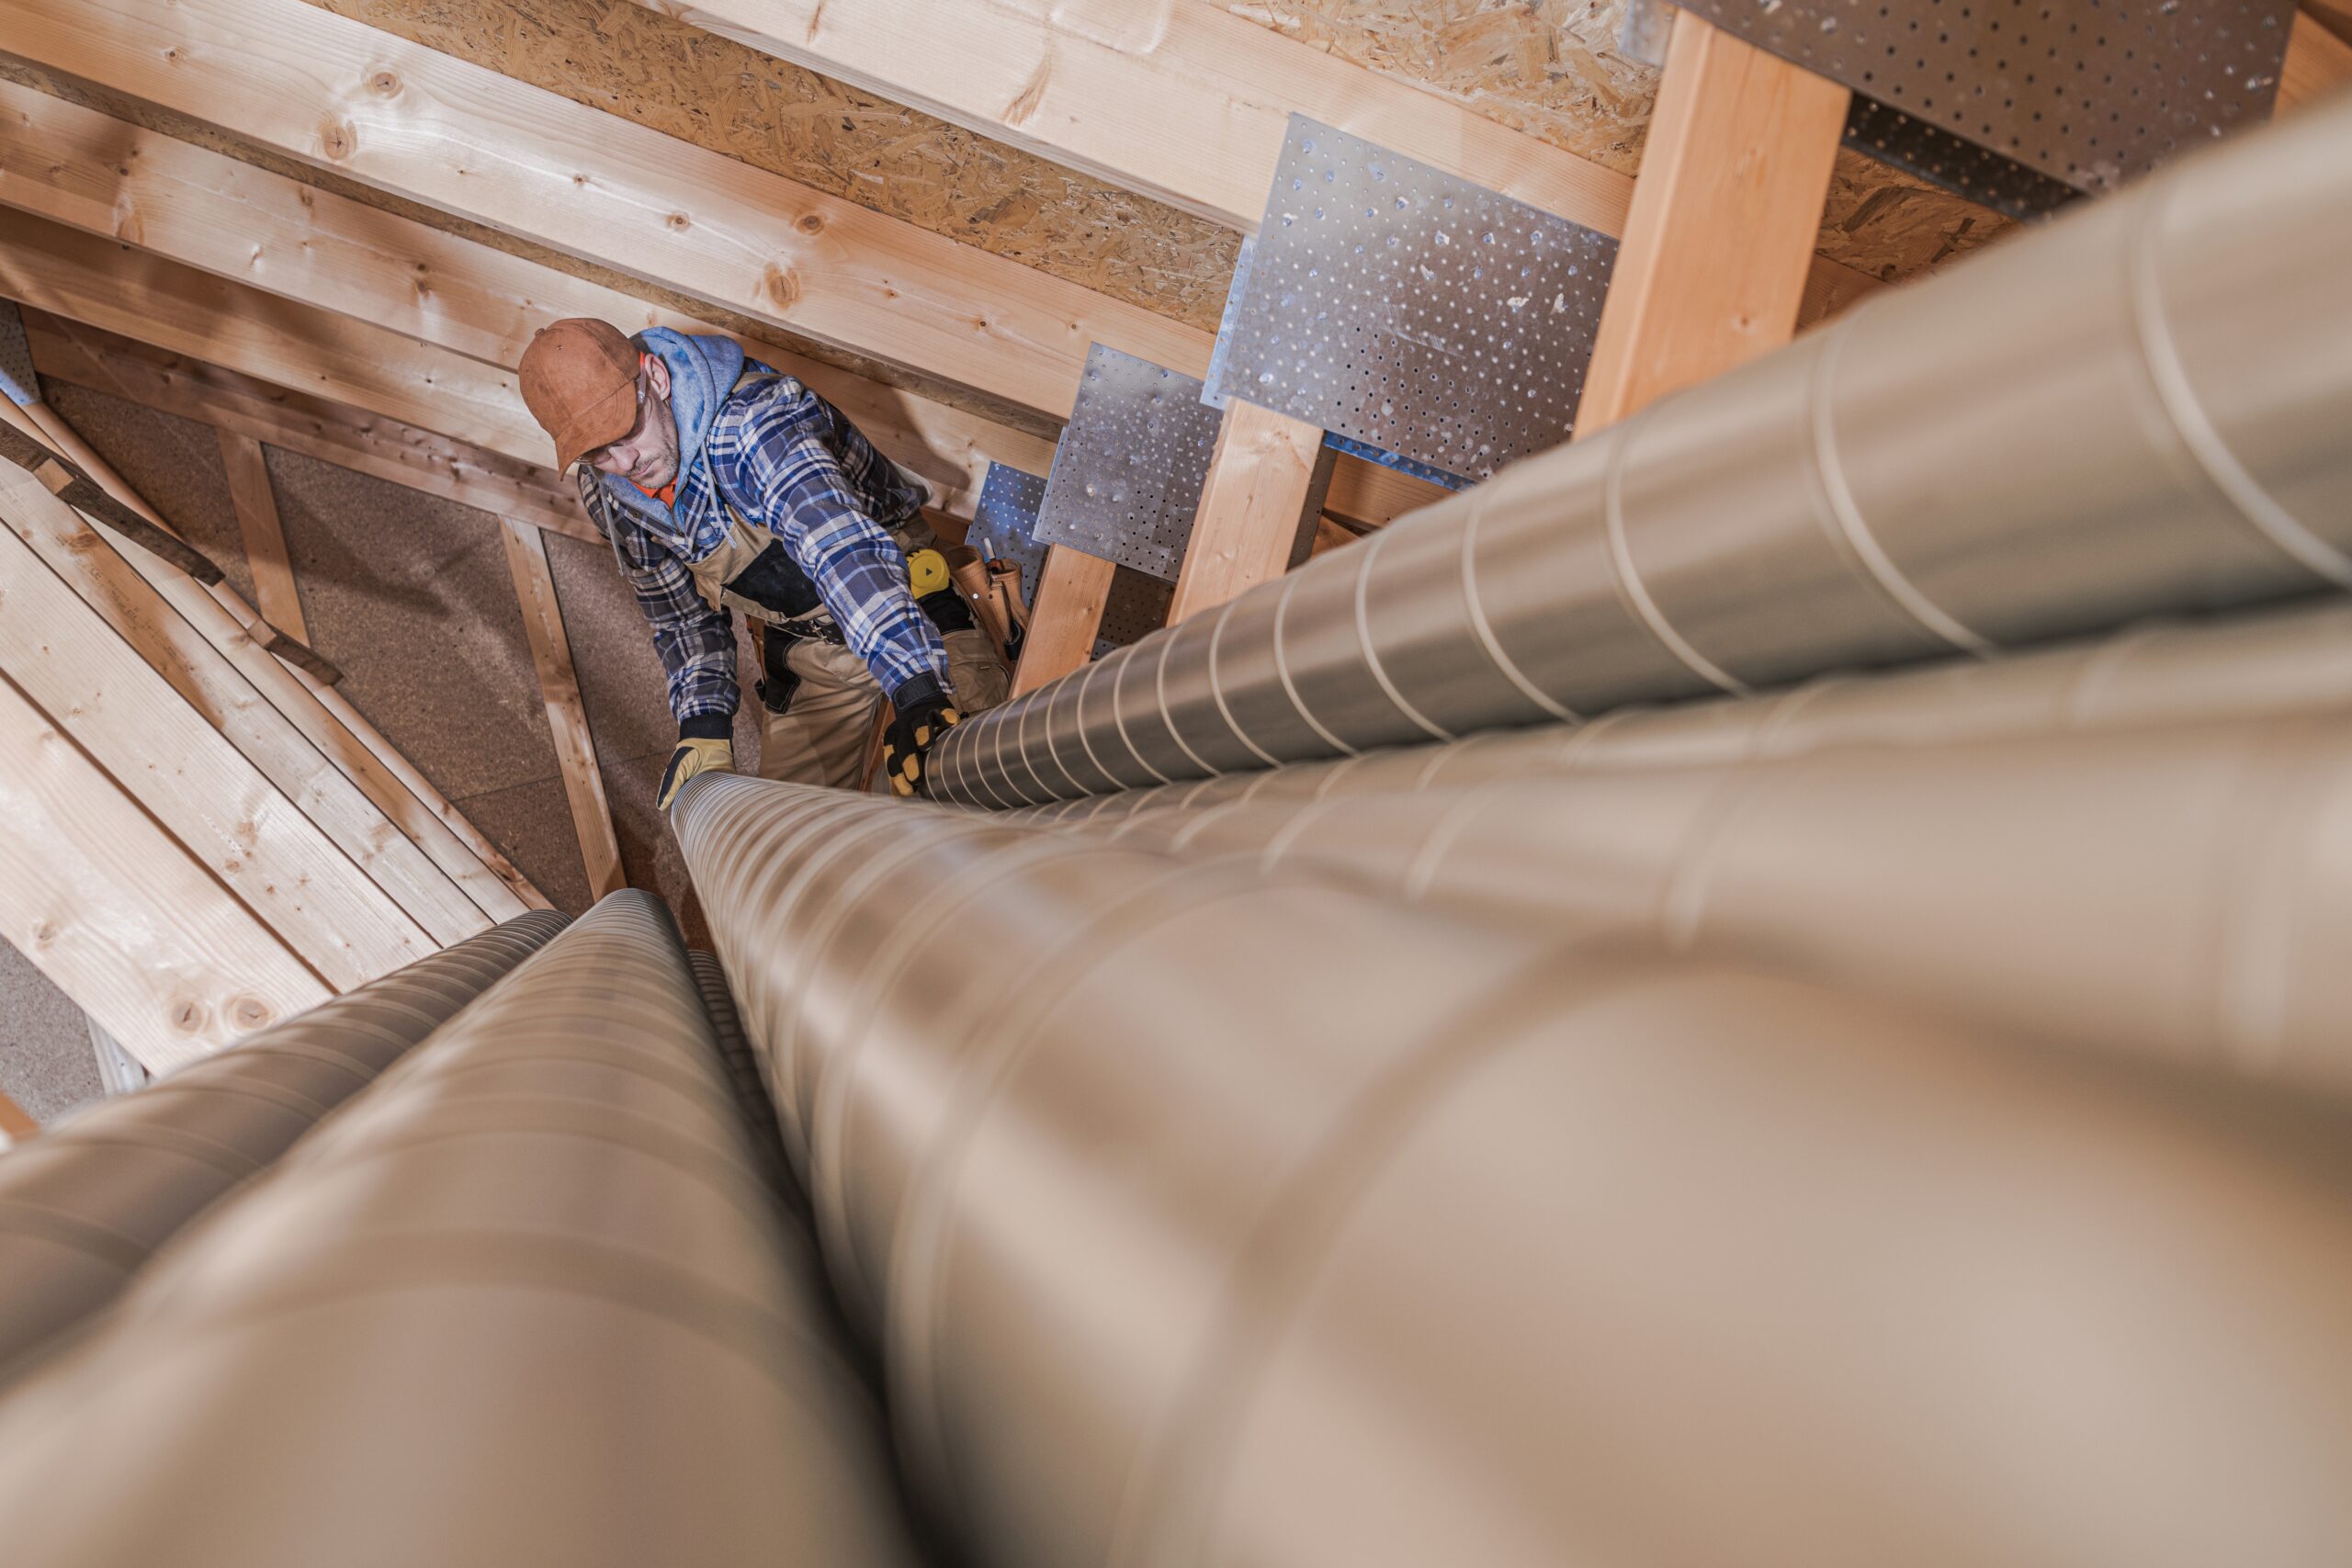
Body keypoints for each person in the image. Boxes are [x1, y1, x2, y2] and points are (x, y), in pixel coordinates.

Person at [516, 318, 1005, 806]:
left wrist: (917, 687)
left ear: (656, 379)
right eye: (598, 452)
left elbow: (842, 553)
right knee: (789, 846)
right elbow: (682, 619)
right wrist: (703, 723)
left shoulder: (756, 426)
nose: (625, 464)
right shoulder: (612, 497)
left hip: (908, 613)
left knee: (982, 792)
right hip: (812, 655)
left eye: (625, 431)